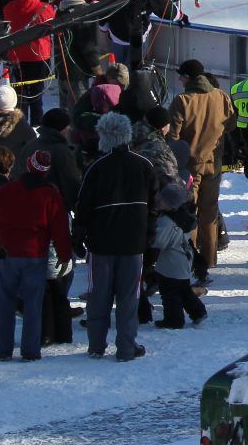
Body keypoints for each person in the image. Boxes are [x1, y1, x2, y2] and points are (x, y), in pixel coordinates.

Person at [74, 111, 157, 362]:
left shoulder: (96, 168)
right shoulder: (144, 165)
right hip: (133, 243)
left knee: (98, 296)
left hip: (101, 243)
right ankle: (126, 347)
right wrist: (149, 237)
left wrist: (77, 236)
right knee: (128, 298)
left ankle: (96, 345)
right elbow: (153, 206)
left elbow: (83, 207)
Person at [0, 149, 71, 362]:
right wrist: (64, 254)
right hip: (35, 255)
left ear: (28, 165)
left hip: (7, 254)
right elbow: (60, 229)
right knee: (33, 304)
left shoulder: (7, 190)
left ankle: (2, 349)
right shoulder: (51, 195)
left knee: (5, 302)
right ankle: (30, 350)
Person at [168, 59, 232, 278]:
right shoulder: (221, 96)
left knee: (189, 213)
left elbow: (173, 137)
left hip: (189, 168)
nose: (179, 79)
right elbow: (231, 125)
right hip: (214, 164)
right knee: (209, 213)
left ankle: (190, 259)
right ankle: (209, 258)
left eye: (181, 75)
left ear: (188, 77)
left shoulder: (182, 101)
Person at [149, 183, 206, 328]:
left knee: (169, 293)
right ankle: (198, 311)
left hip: (171, 262)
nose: (158, 201)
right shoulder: (184, 218)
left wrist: (148, 238)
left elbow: (160, 241)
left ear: (171, 205)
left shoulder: (166, 221)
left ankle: (174, 320)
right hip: (184, 258)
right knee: (184, 289)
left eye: (162, 200)